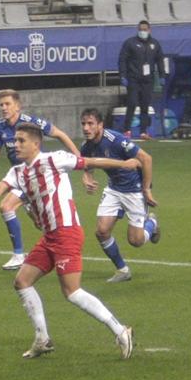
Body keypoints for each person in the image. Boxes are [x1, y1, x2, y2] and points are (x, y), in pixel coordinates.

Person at [0, 124, 134, 359]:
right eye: (15, 140)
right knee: (22, 281)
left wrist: (123, 164)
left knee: (72, 292)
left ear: (36, 144)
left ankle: (120, 330)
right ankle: (42, 339)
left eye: (21, 140)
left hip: (66, 232)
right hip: (49, 237)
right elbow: (0, 188)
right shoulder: (18, 172)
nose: (16, 145)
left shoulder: (54, 159)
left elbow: (91, 161)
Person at [0, 90, 81, 270]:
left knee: (6, 206)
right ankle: (53, 250)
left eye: (7, 104)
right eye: (1, 105)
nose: (3, 108)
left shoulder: (31, 123)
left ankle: (19, 255)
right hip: (20, 178)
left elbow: (60, 134)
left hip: (37, 175)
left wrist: (78, 155)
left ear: (17, 106)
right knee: (39, 222)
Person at [76, 108, 159, 283]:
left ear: (100, 125)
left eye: (90, 123)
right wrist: (87, 178)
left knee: (135, 241)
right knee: (101, 231)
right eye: (83, 124)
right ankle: (122, 270)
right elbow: (88, 165)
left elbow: (146, 159)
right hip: (113, 189)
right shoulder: (86, 146)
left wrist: (147, 189)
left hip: (134, 191)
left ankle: (152, 224)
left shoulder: (116, 140)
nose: (86, 128)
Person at [116, 20, 164, 137]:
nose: (142, 31)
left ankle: (143, 131)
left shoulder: (155, 44)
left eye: (145, 29)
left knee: (145, 105)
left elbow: (160, 60)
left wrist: (162, 75)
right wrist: (123, 75)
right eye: (140, 29)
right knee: (132, 103)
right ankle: (127, 129)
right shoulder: (130, 43)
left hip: (148, 80)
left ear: (149, 30)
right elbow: (122, 60)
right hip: (133, 78)